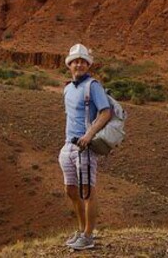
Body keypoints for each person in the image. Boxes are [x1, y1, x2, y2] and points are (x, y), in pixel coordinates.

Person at [59, 43, 112, 251]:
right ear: (69, 65)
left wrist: (89, 135)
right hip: (68, 146)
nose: (79, 65)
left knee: (87, 191)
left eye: (83, 61)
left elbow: (105, 112)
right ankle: (81, 231)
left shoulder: (93, 86)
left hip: (85, 147)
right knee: (71, 190)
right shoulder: (67, 88)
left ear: (88, 65)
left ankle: (88, 235)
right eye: (75, 62)